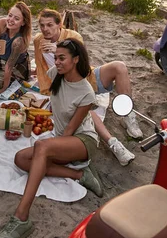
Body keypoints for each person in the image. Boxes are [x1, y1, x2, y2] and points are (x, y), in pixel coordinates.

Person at [0, 38, 103, 238]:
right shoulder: (55, 75)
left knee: (41, 147)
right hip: (60, 138)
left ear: (76, 59)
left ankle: (21, 217)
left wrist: (50, 150)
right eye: (56, 58)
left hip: (82, 140)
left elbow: (70, 129)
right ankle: (80, 175)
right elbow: (54, 106)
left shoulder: (86, 92)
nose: (57, 62)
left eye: (62, 58)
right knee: (20, 159)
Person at [33, 9, 141, 164]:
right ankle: (114, 143)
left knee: (119, 67)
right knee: (87, 111)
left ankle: (128, 115)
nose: (45, 29)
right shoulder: (38, 40)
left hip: (84, 77)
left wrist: (58, 49)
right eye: (42, 25)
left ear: (60, 25)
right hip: (65, 85)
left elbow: (81, 66)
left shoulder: (73, 37)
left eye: (49, 25)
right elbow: (42, 68)